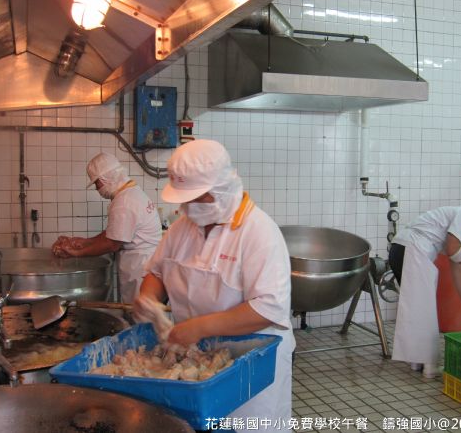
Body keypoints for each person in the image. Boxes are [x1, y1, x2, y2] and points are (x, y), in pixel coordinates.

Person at [133, 139, 295, 431]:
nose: (189, 207)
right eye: (185, 199)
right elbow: (157, 272)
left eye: (198, 198)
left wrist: (198, 328)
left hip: (251, 365)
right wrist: (149, 299)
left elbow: (268, 308)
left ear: (222, 189)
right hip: (196, 363)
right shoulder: (182, 228)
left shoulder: (258, 232)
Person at [388, 196, 461, 378]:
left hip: (401, 249)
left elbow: (456, 265)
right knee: (425, 310)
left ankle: (417, 361)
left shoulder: (455, 220)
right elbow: (454, 251)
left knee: (417, 308)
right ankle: (429, 366)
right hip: (413, 250)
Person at [52, 152, 162, 303]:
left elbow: (112, 244)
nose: (97, 188)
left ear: (104, 179)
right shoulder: (131, 192)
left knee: (141, 314)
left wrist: (77, 253)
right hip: (145, 265)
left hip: (141, 271)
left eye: (97, 184)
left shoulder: (124, 202)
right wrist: (85, 242)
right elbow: (114, 233)